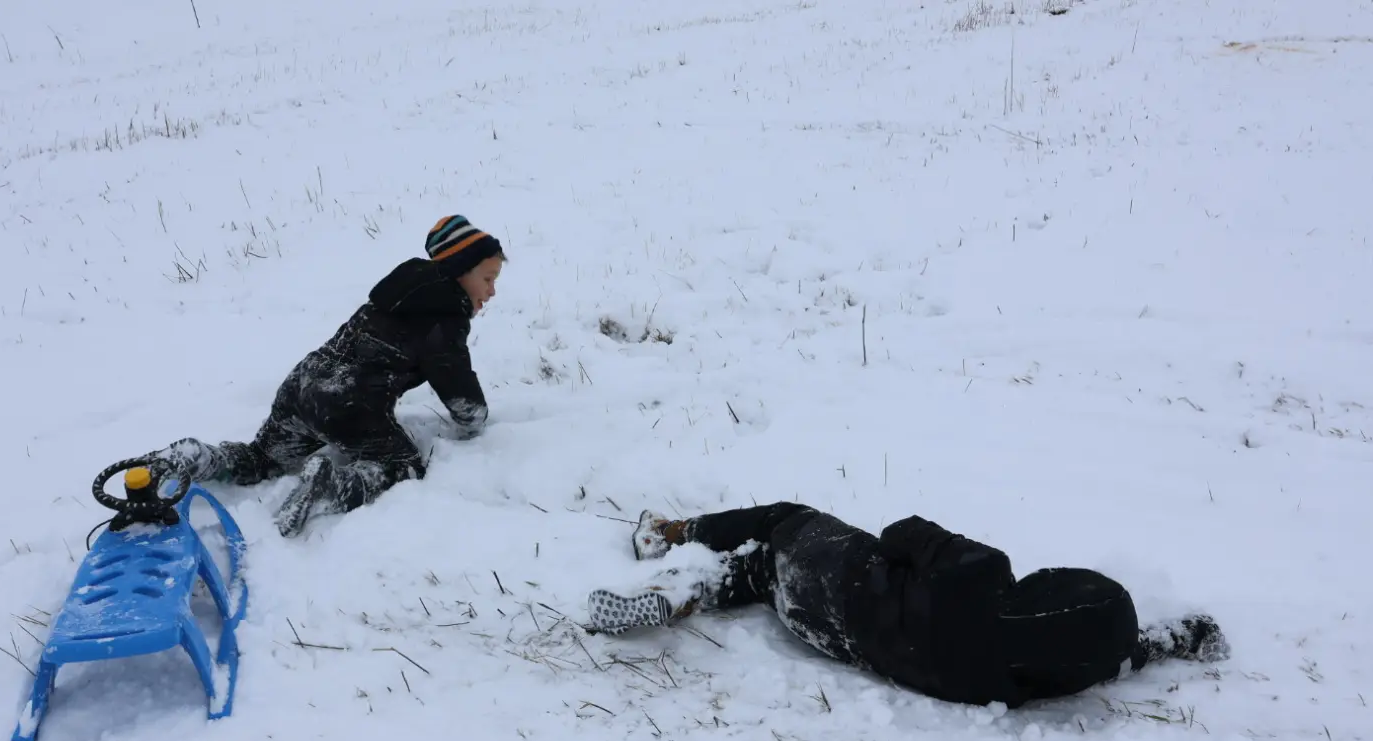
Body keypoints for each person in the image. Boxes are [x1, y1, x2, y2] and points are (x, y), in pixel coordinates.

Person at [587, 503, 1228, 709]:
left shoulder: (984, 576)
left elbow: (904, 532)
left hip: (837, 571)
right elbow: (1119, 656)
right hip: (839, 636)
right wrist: (1181, 636)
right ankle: (685, 591)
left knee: (784, 522)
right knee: (758, 578)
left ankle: (672, 538)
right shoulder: (1023, 680)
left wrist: (934, 548)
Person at [136, 215, 505, 536]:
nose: (491, 291)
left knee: (263, 457)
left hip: (303, 384)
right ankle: (334, 485)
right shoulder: (444, 314)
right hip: (350, 404)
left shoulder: (399, 294)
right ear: (459, 271)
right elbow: (454, 378)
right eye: (487, 279)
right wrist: (473, 419)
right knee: (401, 466)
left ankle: (198, 458)